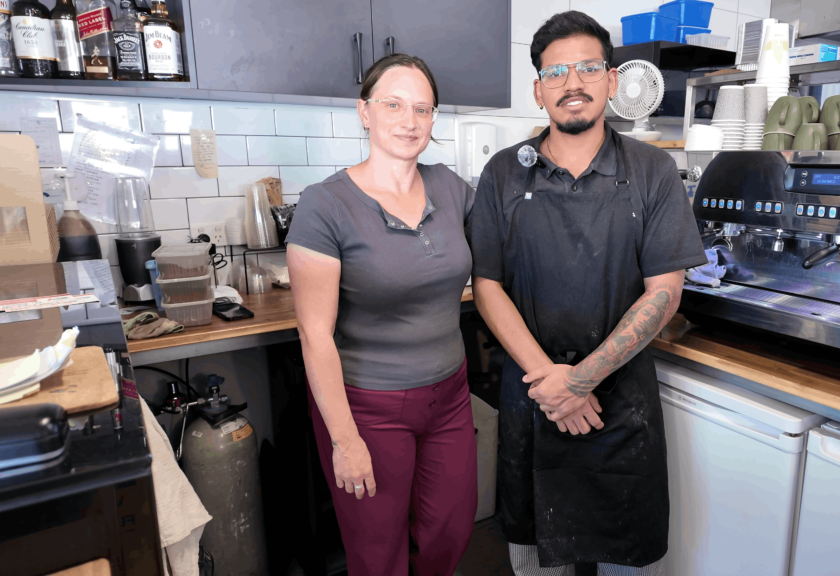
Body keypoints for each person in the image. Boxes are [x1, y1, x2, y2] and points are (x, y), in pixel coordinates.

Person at [468, 11, 708, 576]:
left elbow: (665, 294)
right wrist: (553, 386)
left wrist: (580, 381)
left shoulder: (653, 170)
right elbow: (487, 286)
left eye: (587, 67)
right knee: (536, 565)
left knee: (627, 560)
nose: (572, 83)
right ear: (538, 90)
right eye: (556, 73)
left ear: (611, 79)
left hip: (620, 407)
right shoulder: (503, 173)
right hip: (533, 399)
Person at [286, 53, 477, 576]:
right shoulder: (325, 205)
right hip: (368, 408)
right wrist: (345, 442)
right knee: (378, 554)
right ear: (364, 112)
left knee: (450, 532)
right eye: (393, 104)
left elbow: (506, 254)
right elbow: (315, 335)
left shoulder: (452, 189)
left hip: (450, 397)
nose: (409, 120)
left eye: (422, 108)